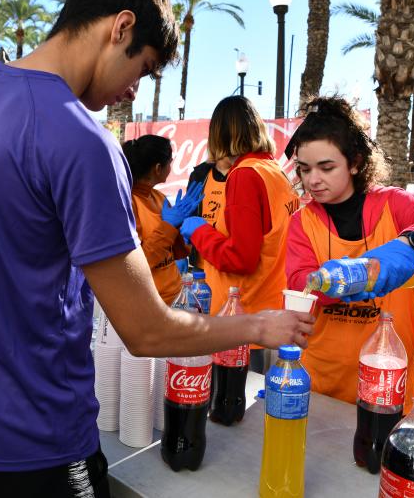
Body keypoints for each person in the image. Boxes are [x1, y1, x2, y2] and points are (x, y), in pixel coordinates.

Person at [0, 0, 314, 496]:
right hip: (35, 438)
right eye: (142, 67)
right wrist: (259, 328)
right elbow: (146, 330)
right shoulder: (79, 138)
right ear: (120, 27)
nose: (133, 89)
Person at [285, 96, 414, 405]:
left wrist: (410, 243)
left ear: (355, 162)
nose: (312, 180)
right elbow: (299, 283)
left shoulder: (395, 206)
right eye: (304, 169)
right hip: (323, 382)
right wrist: (342, 280)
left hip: (390, 381)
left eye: (326, 167)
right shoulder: (301, 223)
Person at [178, 95, 300, 373]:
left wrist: (198, 230)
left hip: (242, 319)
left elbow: (240, 259)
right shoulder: (274, 171)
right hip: (268, 312)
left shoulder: (244, 175)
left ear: (219, 135)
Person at [121, 134, 199, 304]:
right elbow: (139, 264)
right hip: (150, 305)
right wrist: (168, 226)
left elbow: (178, 253)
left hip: (176, 298)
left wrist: (183, 228)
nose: (171, 167)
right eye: (170, 162)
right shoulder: (128, 204)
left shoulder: (159, 198)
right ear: (157, 168)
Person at [184, 155, 232, 270]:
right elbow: (188, 214)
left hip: (229, 265)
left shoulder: (245, 174)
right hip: (201, 266)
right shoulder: (200, 174)